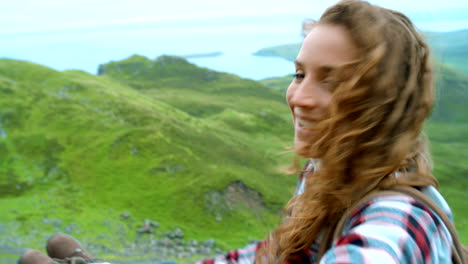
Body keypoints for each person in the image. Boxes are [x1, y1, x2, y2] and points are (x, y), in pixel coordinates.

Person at [18, 0, 456, 263]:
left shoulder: (395, 223)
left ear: (386, 98)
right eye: (298, 73)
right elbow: (266, 257)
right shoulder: (329, 174)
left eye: (333, 80)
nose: (299, 96)